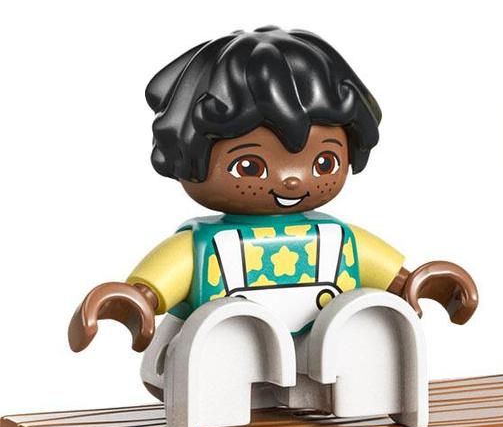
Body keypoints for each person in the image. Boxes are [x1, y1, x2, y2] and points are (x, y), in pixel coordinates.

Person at [67, 26, 476, 357]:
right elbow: (161, 283)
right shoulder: (202, 247)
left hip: (323, 354)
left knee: (360, 334)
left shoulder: (336, 240)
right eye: (250, 166)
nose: (292, 180)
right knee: (221, 351)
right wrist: (138, 299)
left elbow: (387, 275)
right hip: (226, 354)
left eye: (323, 162)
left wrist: (414, 283)